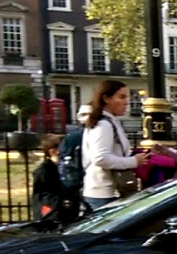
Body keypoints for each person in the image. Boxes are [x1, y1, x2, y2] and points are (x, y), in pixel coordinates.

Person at [81, 81, 147, 211]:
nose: (126, 102)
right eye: (121, 97)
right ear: (106, 99)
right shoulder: (104, 125)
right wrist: (133, 161)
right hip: (104, 193)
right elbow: (100, 158)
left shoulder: (111, 122)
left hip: (109, 191)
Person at [32, 135, 73, 225]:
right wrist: (61, 202)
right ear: (53, 152)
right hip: (51, 214)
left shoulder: (65, 168)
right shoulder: (44, 171)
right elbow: (42, 194)